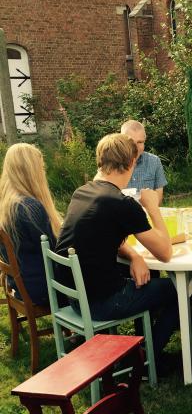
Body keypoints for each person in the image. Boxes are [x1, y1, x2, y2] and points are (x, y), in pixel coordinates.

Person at [55, 133, 178, 365]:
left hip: (75, 297)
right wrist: (153, 208)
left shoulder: (82, 192)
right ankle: (145, 357)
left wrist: (134, 255)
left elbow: (101, 235)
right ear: (131, 162)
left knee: (147, 279)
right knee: (176, 290)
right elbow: (165, 252)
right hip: (101, 302)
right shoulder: (121, 203)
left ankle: (143, 346)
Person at [0, 143, 62, 306]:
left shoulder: (6, 204)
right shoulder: (29, 207)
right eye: (40, 168)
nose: (43, 172)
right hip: (43, 290)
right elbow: (56, 252)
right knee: (100, 281)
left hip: (21, 286)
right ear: (30, 172)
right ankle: (100, 329)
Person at [121, 120, 167, 205]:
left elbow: (158, 200)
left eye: (140, 142)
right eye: (131, 142)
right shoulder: (112, 163)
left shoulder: (154, 161)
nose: (136, 147)